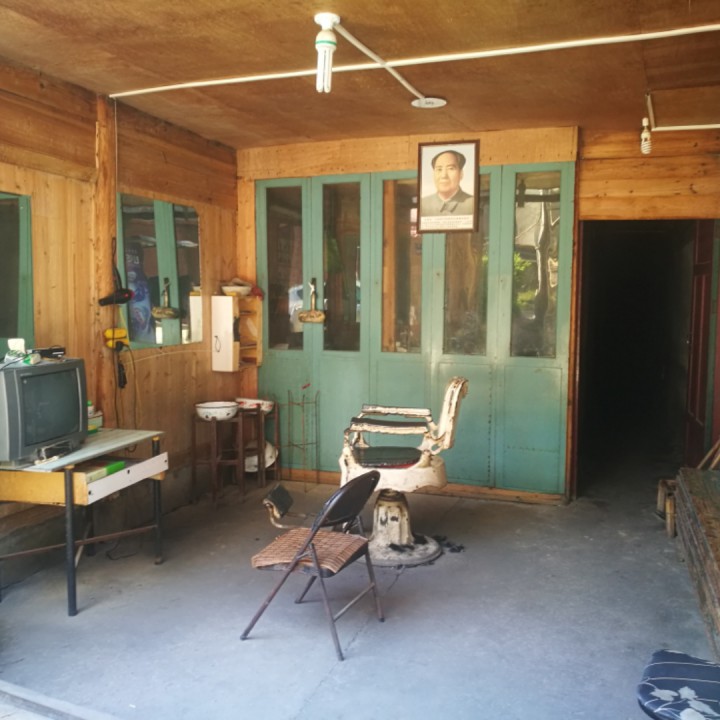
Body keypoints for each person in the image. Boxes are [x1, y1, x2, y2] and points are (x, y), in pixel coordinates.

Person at [420, 149, 475, 216]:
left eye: (450, 168)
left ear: (461, 174)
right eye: (439, 169)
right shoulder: (422, 204)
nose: (444, 176)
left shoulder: (472, 203)